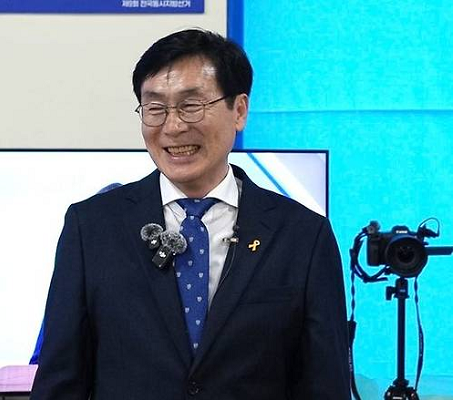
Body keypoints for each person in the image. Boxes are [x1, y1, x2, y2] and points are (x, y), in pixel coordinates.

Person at [30, 28, 350, 399]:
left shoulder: (302, 235)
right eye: (155, 109)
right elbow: (60, 382)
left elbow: (325, 385)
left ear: (239, 111)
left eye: (191, 105)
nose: (173, 126)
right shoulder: (91, 227)